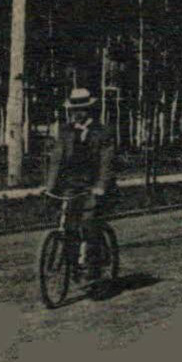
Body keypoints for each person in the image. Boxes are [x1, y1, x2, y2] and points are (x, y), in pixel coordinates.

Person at [43, 88, 118, 282]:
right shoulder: (66, 131)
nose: (77, 113)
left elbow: (106, 162)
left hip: (95, 186)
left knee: (88, 222)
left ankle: (93, 264)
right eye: (74, 109)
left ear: (90, 109)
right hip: (72, 185)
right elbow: (56, 160)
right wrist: (49, 187)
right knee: (68, 224)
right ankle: (73, 263)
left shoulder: (103, 132)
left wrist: (101, 186)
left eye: (82, 109)